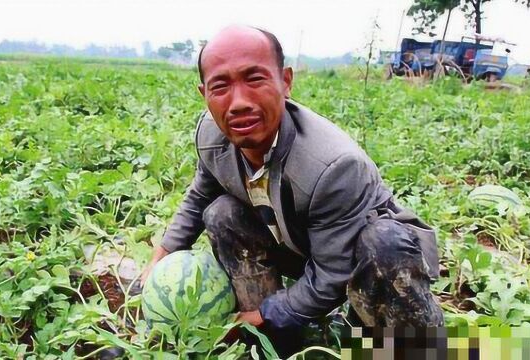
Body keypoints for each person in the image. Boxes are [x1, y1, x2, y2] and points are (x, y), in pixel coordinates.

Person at [140, 25, 444, 356]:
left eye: (254, 79)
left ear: (285, 81)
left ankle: (418, 349)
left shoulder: (333, 165)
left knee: (382, 242)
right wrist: (162, 255)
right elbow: (201, 195)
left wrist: (265, 314)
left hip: (363, 258)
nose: (238, 102)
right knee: (221, 212)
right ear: (204, 94)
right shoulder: (212, 134)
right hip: (300, 242)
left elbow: (333, 272)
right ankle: (274, 345)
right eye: (221, 86)